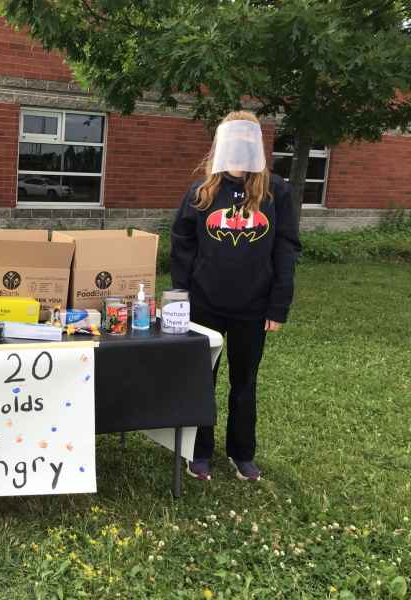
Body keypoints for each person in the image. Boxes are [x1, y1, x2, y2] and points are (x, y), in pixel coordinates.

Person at [170, 110, 301, 482]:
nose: (240, 147)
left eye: (248, 140)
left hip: (253, 306)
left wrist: (278, 303)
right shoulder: (201, 193)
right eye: (234, 140)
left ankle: (242, 453)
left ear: (256, 144)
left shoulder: (276, 192)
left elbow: (285, 249)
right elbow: (182, 249)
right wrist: (181, 299)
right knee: (202, 381)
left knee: (245, 382)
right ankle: (199, 451)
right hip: (204, 305)